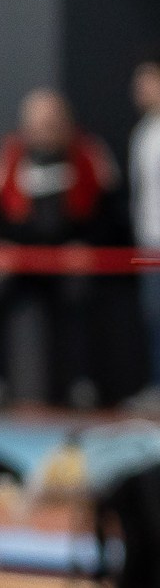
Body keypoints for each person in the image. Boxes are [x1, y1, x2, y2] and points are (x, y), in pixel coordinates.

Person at [0, 88, 122, 409]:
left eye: (52, 121)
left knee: (81, 299)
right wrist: (0, 246)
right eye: (38, 122)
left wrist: (88, 246)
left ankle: (82, 384)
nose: (45, 129)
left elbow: (110, 209)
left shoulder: (90, 153)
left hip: (70, 259)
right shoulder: (9, 154)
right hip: (23, 260)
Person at [133, 62, 160, 398]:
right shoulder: (143, 132)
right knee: (154, 314)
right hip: (148, 242)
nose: (139, 89)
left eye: (147, 81)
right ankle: (156, 384)